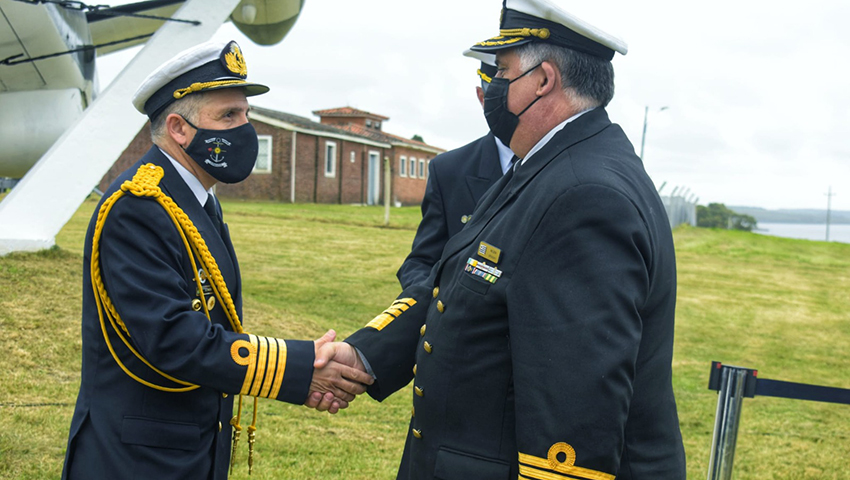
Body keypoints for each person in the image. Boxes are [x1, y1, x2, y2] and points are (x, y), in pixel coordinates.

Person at [318, 0, 687, 478]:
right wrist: (364, 353)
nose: (491, 88)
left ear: (543, 80)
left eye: (502, 72)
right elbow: (453, 285)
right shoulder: (546, 165)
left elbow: (574, 406)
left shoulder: (584, 192)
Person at [61, 40, 372, 480]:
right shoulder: (138, 206)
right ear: (178, 128)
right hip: (136, 459)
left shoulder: (195, 197)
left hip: (189, 446)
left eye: (245, 114)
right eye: (228, 116)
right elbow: (171, 336)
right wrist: (298, 367)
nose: (244, 129)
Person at [396, 50, 515, 289]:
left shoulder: (560, 162)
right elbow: (421, 262)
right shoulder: (449, 170)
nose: (511, 105)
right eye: (497, 96)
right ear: (482, 97)